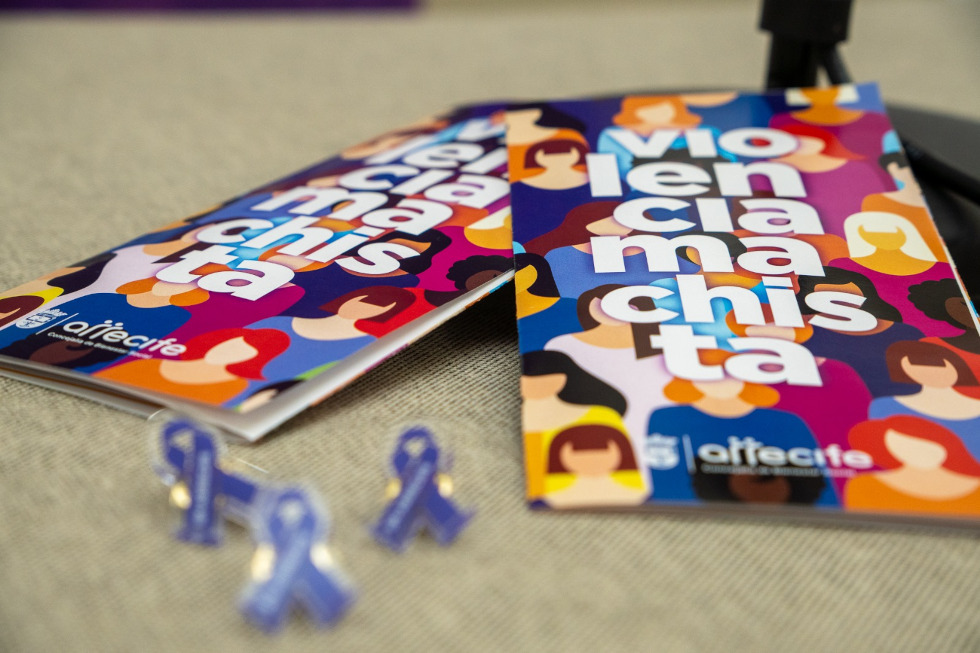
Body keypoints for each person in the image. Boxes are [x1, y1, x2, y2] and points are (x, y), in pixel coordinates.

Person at [95, 327, 289, 407]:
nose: (227, 352)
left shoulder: (236, 386)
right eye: (227, 344)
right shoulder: (151, 363)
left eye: (243, 351)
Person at [845, 416, 980, 517]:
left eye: (926, 444)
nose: (917, 452)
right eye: (901, 446)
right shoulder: (866, 484)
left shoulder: (975, 487)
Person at [543, 423, 646, 509]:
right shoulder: (553, 498)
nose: (590, 460)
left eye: (604, 452)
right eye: (579, 454)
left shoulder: (638, 495)